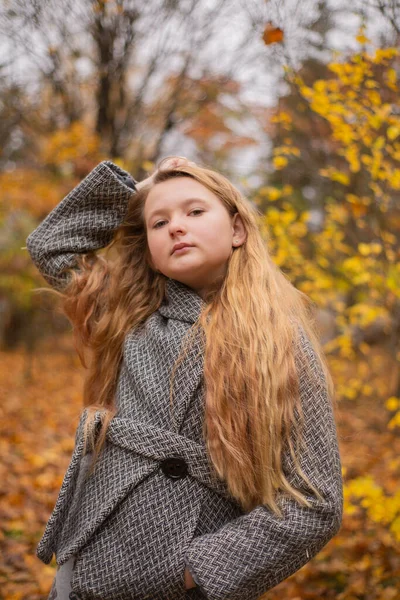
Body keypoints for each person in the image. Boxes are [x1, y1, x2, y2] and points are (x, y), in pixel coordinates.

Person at [26, 156, 343, 600]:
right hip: (86, 565)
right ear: (151, 254)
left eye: (195, 212)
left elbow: (316, 502)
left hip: (184, 583)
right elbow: (52, 246)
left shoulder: (279, 342)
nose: (176, 227)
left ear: (237, 230)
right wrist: (141, 188)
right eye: (159, 223)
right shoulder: (128, 315)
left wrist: (190, 569)